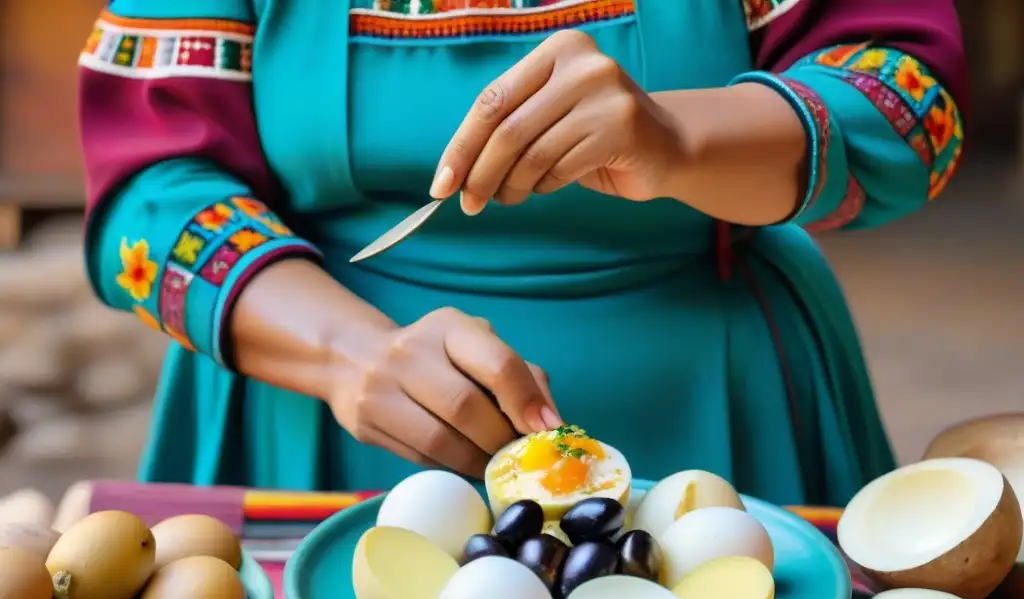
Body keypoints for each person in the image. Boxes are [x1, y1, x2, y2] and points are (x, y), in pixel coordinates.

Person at [77, 0, 967, 507]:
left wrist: (678, 138)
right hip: (311, 415)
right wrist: (350, 355)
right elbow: (146, 197)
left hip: (721, 418)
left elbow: (907, 104)